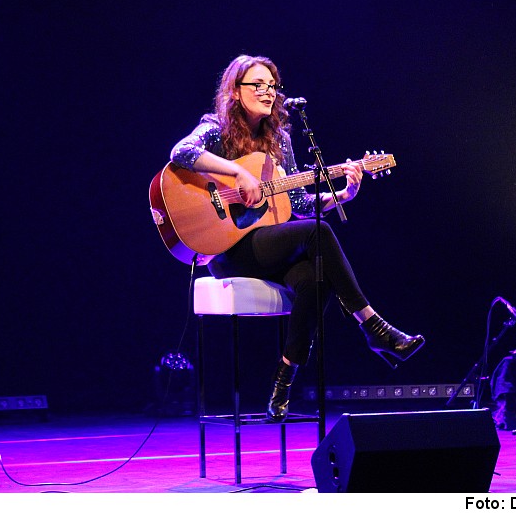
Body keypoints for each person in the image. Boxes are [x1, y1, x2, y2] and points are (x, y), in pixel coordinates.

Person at [168, 55, 425, 422]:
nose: (267, 91)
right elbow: (181, 152)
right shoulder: (215, 128)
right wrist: (236, 175)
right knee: (319, 232)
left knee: (316, 277)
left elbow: (300, 203)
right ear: (235, 91)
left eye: (272, 85)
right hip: (227, 248)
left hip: (266, 243)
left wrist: (342, 195)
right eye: (257, 84)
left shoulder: (279, 141)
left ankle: (284, 379)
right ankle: (373, 325)